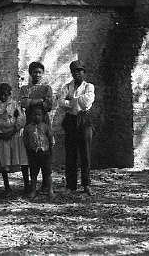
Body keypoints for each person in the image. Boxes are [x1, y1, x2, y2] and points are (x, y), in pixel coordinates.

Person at [58, 60, 95, 196]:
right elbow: (61, 102)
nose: (77, 73)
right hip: (70, 121)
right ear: (72, 73)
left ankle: (86, 184)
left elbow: (87, 101)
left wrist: (72, 100)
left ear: (84, 72)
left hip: (84, 120)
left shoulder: (89, 86)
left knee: (85, 153)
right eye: (74, 71)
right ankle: (71, 185)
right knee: (70, 153)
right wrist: (76, 101)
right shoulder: (67, 86)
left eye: (79, 71)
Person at [0, 83, 29, 195]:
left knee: (22, 160)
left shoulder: (15, 105)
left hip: (15, 136)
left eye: (5, 95)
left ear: (9, 94)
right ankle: (7, 187)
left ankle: (27, 185)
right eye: (1, 95)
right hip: (3, 136)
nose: (3, 97)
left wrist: (13, 131)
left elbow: (21, 120)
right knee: (4, 161)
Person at [23, 104, 54, 200]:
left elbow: (51, 139)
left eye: (39, 115)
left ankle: (50, 190)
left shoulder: (46, 127)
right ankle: (33, 190)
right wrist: (29, 150)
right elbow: (25, 140)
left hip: (45, 153)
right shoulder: (28, 128)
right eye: (34, 115)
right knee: (33, 173)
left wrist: (50, 151)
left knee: (47, 173)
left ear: (43, 116)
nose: (36, 117)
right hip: (33, 154)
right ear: (31, 116)